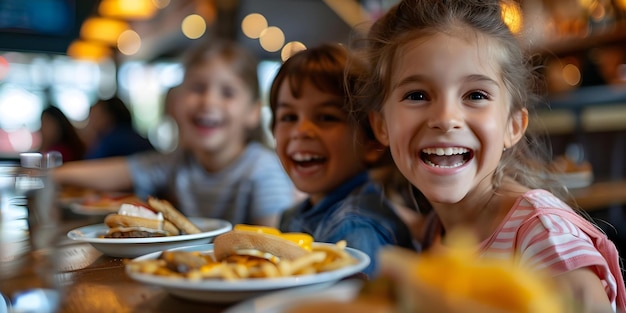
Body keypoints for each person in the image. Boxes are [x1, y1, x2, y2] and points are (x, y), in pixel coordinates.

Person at [351, 0, 626, 311]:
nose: (446, 117)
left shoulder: (544, 239)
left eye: (475, 95)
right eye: (417, 95)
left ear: (513, 125)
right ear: (381, 125)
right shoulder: (434, 231)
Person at [54, 39, 297, 227]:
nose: (209, 101)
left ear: (253, 112)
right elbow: (120, 171)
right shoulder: (179, 162)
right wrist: (52, 174)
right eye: (198, 88)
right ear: (177, 100)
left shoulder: (261, 170)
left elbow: (271, 246)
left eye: (227, 93)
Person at [271, 43, 415, 277]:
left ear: (372, 142)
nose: (301, 130)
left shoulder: (357, 229)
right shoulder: (294, 216)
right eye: (288, 116)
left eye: (326, 117)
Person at [82, 96, 154, 159]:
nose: (90, 121)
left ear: (109, 117)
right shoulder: (139, 138)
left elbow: (87, 165)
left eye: (94, 115)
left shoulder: (110, 142)